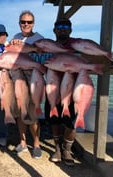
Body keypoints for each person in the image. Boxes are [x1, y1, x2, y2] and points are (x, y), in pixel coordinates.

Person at [44, 17, 78, 166]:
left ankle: (67, 149)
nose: (62, 28)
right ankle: (57, 148)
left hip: (72, 89)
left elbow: (90, 56)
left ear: (70, 30)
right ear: (54, 30)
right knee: (54, 120)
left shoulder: (77, 44)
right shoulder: (48, 46)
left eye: (66, 26)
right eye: (59, 26)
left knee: (71, 123)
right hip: (52, 88)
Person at [10, 10, 43, 159]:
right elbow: (10, 54)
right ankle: (22, 142)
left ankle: (36, 144)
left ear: (33, 24)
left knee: (33, 113)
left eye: (29, 22)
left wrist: (36, 49)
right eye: (23, 22)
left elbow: (44, 57)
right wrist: (12, 44)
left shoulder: (39, 39)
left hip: (33, 79)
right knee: (20, 112)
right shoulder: (15, 37)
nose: (26, 24)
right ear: (19, 23)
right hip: (17, 79)